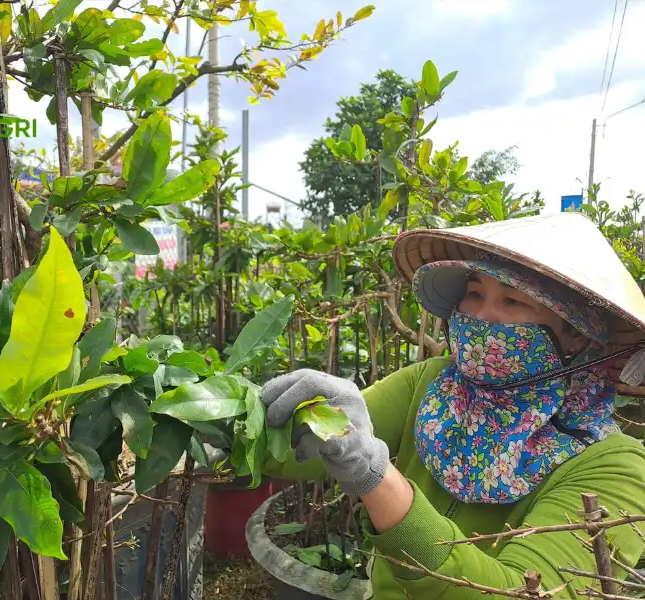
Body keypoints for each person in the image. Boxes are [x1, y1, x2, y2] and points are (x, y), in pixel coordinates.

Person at [262, 213, 645, 600]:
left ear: (576, 334)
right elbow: (296, 453)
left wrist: (377, 479)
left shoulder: (615, 466)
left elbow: (521, 592)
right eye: (474, 294)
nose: (480, 317)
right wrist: (239, 410)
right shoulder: (431, 384)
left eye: (512, 300)